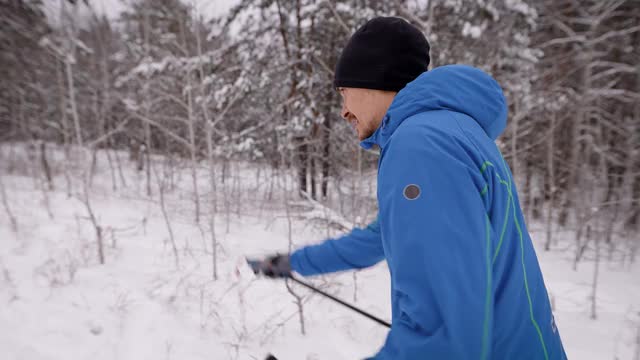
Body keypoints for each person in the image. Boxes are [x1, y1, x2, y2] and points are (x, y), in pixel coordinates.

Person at [256, 17, 567, 359]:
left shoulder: (421, 146)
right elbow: (377, 238)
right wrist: (296, 262)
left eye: (344, 92)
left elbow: (441, 337)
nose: (344, 111)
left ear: (374, 78)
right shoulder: (450, 132)